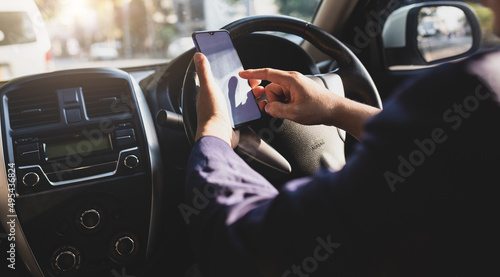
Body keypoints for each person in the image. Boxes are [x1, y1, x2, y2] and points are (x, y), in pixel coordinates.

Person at [185, 1, 500, 276]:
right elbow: (430, 148)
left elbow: (249, 248)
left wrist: (213, 133)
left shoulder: (476, 91)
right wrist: (333, 106)